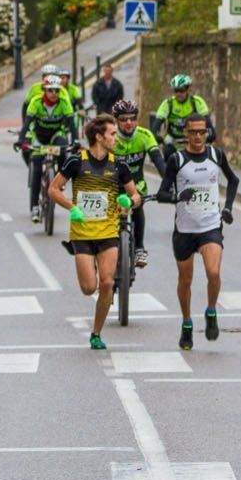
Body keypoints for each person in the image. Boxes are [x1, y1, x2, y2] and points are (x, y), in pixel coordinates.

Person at [48, 113, 142, 350]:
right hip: (82, 234)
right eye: (112, 134)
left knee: (108, 283)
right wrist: (72, 207)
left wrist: (128, 201)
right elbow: (53, 189)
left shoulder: (118, 164)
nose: (116, 138)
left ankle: (96, 333)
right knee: (89, 287)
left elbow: (136, 195)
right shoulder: (76, 161)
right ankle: (95, 289)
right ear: (99, 137)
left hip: (108, 232)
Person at [156, 114, 241, 350]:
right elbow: (162, 193)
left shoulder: (216, 155)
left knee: (213, 272)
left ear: (207, 133)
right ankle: (186, 324)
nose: (197, 137)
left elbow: (233, 181)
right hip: (184, 230)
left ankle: (211, 311)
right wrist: (176, 197)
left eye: (201, 132)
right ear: (185, 134)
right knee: (186, 280)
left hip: (210, 225)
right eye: (192, 132)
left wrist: (227, 208)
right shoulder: (177, 160)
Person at [17, 74, 79, 221]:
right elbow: (27, 123)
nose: (54, 94)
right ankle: (35, 207)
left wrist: (75, 140)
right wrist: (21, 139)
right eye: (50, 90)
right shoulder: (36, 101)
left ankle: (59, 180)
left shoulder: (64, 101)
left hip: (56, 134)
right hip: (39, 137)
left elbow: (72, 123)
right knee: (37, 167)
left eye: (57, 90)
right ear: (44, 90)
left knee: (64, 150)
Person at [111, 100, 165, 269]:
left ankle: (139, 248)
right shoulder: (110, 137)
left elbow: (158, 161)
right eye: (124, 119)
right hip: (112, 184)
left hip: (136, 185)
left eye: (132, 118)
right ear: (116, 121)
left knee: (138, 205)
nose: (129, 123)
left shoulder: (144, 135)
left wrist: (169, 183)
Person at [152, 74, 213, 153]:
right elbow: (158, 121)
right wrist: (155, 134)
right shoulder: (168, 103)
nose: (178, 94)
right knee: (167, 152)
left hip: (192, 138)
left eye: (181, 90)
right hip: (173, 139)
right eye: (176, 91)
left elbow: (207, 120)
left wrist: (211, 132)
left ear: (187, 89)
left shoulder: (196, 102)